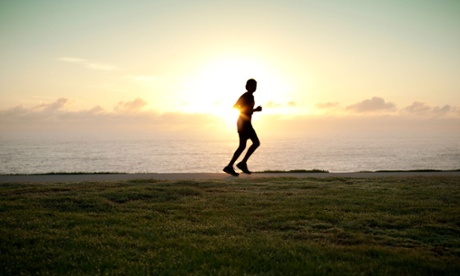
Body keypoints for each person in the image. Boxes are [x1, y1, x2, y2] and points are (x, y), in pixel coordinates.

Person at [223, 79, 262, 176]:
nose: (254, 87)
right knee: (254, 143)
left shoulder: (250, 96)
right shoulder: (246, 96)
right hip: (244, 123)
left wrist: (252, 110)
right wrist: (255, 110)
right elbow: (235, 107)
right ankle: (239, 164)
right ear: (247, 86)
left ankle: (233, 165)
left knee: (243, 146)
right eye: (252, 85)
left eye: (255, 85)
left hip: (245, 123)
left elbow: (245, 109)